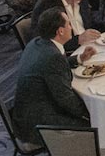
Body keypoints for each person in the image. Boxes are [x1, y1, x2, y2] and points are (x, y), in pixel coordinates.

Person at [10, 9, 93, 142]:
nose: (71, 27)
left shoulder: (37, 42)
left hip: (24, 114)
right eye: (68, 24)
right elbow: (66, 99)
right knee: (98, 125)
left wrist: (79, 58)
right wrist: (92, 112)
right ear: (60, 31)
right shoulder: (53, 57)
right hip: (40, 124)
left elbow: (51, 68)